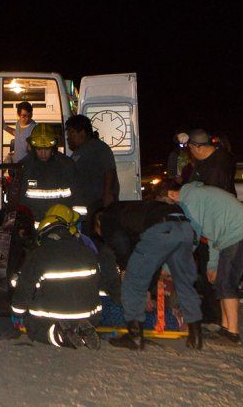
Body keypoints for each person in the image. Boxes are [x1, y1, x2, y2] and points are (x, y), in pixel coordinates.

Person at [160, 181, 243, 346]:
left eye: (167, 204)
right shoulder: (197, 197)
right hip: (233, 236)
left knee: (227, 283)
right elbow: (213, 234)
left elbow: (191, 238)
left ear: (171, 194)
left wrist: (168, 267)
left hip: (241, 234)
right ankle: (225, 329)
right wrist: (212, 265)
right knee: (222, 282)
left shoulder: (190, 200)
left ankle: (233, 334)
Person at [94, 200, 203, 350]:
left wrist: (125, 269)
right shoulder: (133, 214)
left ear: (98, 222)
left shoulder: (106, 216)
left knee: (132, 282)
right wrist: (148, 287)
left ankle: (135, 337)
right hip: (184, 228)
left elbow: (119, 240)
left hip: (161, 229)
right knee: (185, 284)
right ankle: (196, 337)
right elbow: (153, 261)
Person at [11, 205, 101, 349]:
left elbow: (25, 287)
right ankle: (81, 328)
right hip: (90, 314)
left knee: (34, 329)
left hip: (51, 317)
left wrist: (17, 312)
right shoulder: (87, 251)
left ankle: (59, 334)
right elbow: (97, 283)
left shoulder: (39, 254)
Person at [66, 114, 119, 233]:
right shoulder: (78, 152)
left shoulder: (98, 148)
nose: (68, 137)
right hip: (85, 206)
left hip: (97, 204)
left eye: (71, 133)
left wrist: (108, 195)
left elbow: (109, 170)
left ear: (82, 132)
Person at [18, 123, 76, 224]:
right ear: (33, 147)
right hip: (33, 226)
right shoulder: (24, 167)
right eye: (39, 149)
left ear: (53, 147)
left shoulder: (67, 165)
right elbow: (19, 201)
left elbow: (77, 195)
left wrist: (75, 220)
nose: (43, 153)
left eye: (47, 149)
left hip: (61, 224)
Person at [186, 129, 236, 194]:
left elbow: (210, 195)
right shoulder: (217, 154)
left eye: (190, 148)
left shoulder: (215, 167)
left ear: (197, 148)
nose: (190, 151)